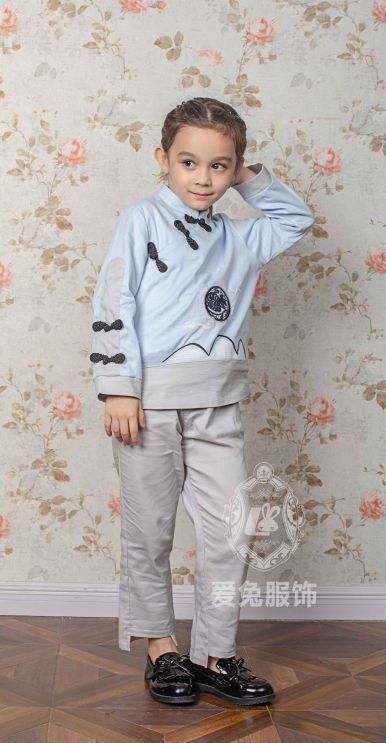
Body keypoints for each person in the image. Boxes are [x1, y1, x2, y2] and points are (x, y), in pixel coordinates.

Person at [89, 96, 314, 705]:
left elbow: (297, 219)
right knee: (150, 532)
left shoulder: (242, 238)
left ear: (235, 169)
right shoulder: (141, 218)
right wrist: (118, 387)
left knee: (231, 531)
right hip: (148, 406)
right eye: (189, 162)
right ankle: (161, 649)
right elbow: (114, 299)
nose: (203, 178)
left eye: (219, 166)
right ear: (163, 159)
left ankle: (214, 654)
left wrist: (248, 176)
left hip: (218, 406)